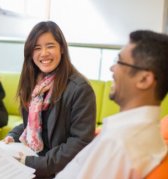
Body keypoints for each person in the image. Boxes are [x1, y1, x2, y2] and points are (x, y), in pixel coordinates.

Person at [56, 30, 168, 179]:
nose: (112, 68)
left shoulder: (118, 144)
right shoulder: (145, 134)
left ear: (144, 80)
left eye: (120, 62)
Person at [2, 21, 96, 178]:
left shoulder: (80, 89)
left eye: (50, 46)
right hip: (33, 159)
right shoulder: (35, 83)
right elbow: (33, 124)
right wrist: (13, 135)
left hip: (56, 170)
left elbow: (79, 143)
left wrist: (31, 163)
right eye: (37, 48)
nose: (43, 53)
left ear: (62, 48)